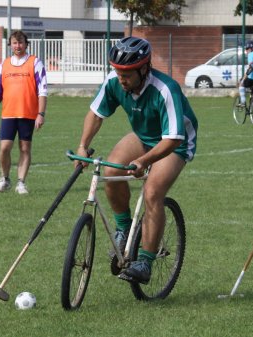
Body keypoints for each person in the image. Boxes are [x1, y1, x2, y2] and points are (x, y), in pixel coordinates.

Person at [75, 36, 198, 284]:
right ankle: (124, 227)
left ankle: (145, 261)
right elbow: (96, 115)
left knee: (153, 192)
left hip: (175, 141)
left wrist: (143, 161)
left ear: (144, 68)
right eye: (118, 71)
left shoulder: (165, 89)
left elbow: (173, 139)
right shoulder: (115, 81)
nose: (121, 78)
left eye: (128, 73)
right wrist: (82, 146)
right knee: (111, 171)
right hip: (144, 135)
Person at [0, 30, 47, 195]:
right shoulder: (4, 65)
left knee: (25, 148)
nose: (18, 46)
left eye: (20, 43)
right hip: (8, 114)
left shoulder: (35, 63)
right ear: (10, 45)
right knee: (4, 148)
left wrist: (41, 114)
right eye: (14, 43)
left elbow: (42, 91)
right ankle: (4, 179)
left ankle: (21, 182)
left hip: (28, 114)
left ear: (26, 44)